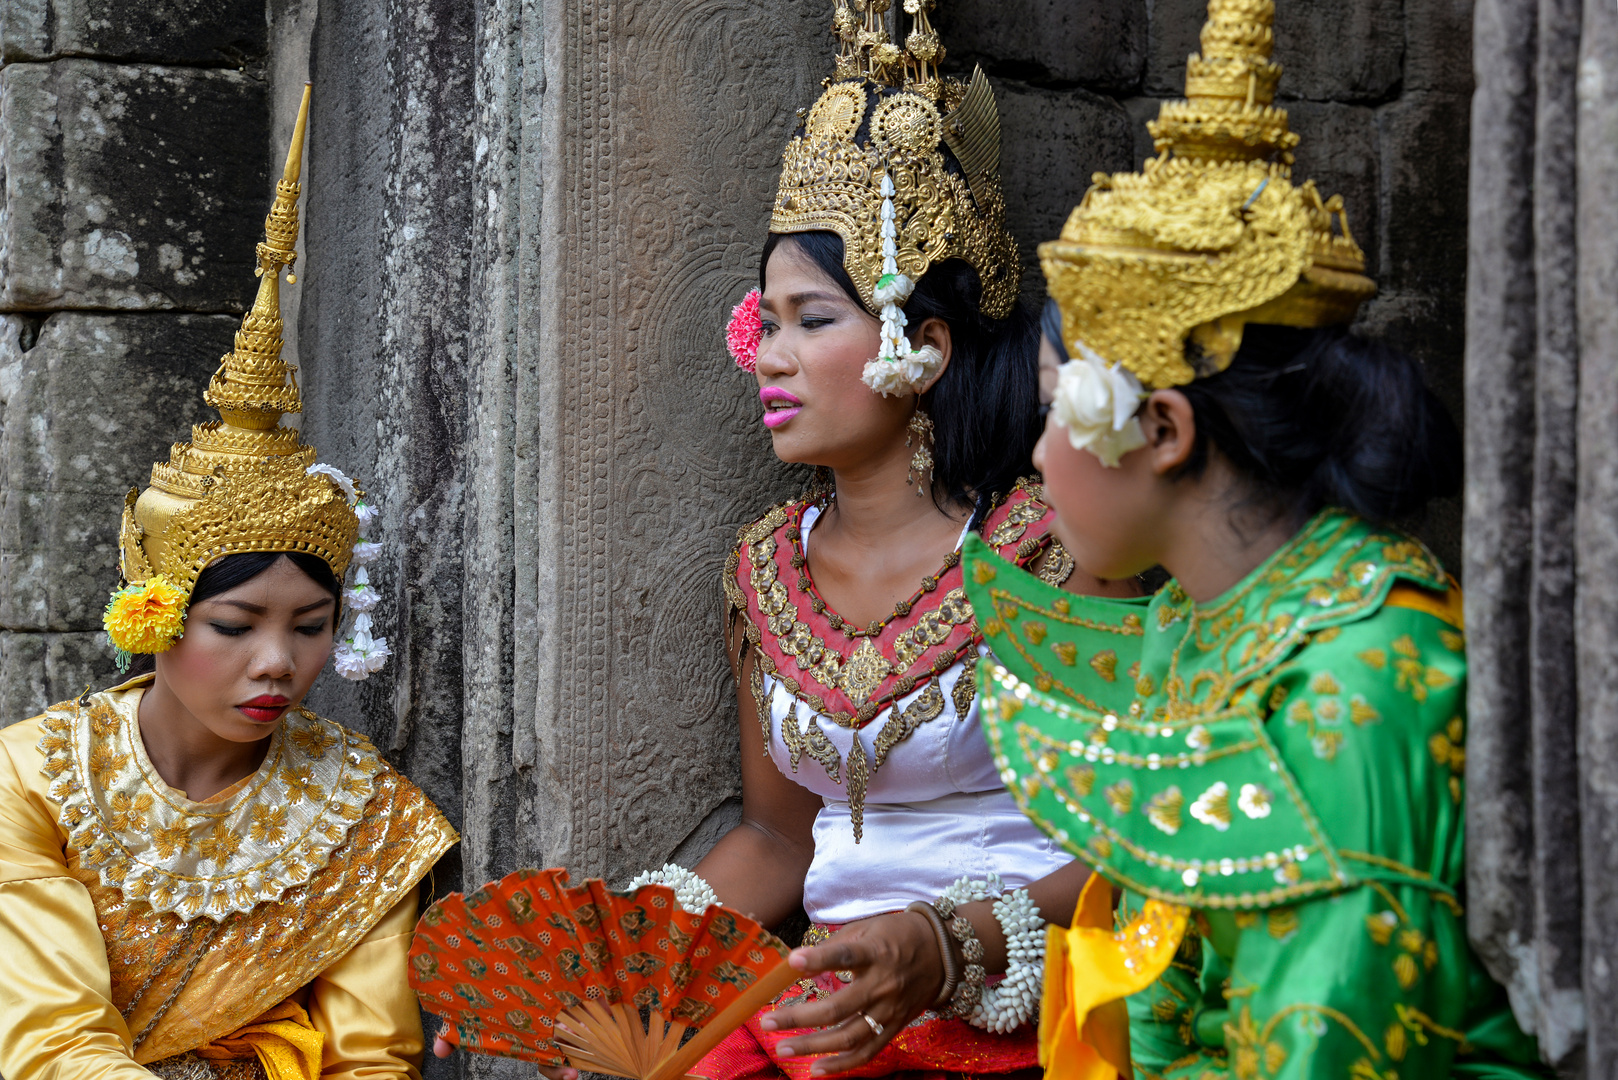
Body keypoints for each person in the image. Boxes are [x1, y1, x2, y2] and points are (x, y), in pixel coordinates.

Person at [960, 2, 1552, 1077]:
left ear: (1166, 431)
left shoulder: (1360, 680)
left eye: (1056, 414)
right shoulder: (1193, 621)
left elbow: (1318, 1043)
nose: (1036, 460)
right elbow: (1157, 974)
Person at [0, 86, 457, 1080]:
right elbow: (51, 1041)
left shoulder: (364, 816)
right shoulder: (31, 780)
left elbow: (374, 1062)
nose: (277, 662)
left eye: (311, 626)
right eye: (238, 623)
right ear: (154, 612)